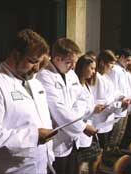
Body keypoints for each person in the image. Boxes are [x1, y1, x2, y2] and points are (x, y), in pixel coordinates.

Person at [0, 29, 56, 174]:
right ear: (16, 55)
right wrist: (34, 136)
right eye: (32, 62)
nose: (36, 68)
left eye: (39, 62)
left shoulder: (35, 84)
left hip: (40, 165)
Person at [36, 38, 98, 174]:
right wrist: (81, 126)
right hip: (58, 141)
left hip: (72, 138)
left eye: (74, 62)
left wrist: (74, 116)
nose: (73, 66)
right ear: (57, 59)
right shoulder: (44, 76)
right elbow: (57, 109)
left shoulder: (71, 75)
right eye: (69, 62)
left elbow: (82, 98)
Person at [74, 55, 105, 174]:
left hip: (88, 125)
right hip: (81, 128)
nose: (93, 72)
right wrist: (93, 110)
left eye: (94, 69)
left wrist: (95, 109)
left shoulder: (86, 84)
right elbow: (77, 112)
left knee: (95, 157)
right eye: (91, 68)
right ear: (82, 67)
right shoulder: (75, 86)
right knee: (80, 162)